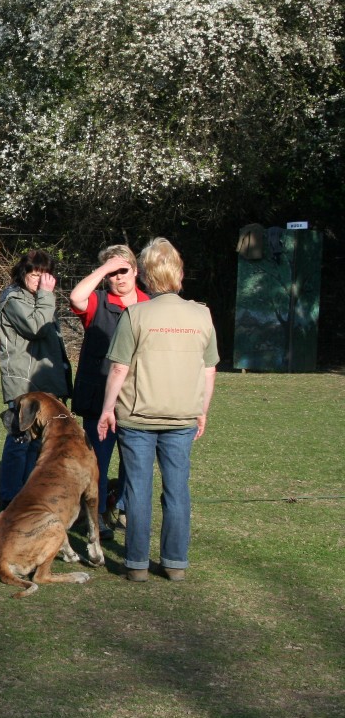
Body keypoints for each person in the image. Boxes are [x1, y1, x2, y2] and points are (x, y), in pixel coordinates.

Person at [98, 238, 217, 582]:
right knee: (177, 489)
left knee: (137, 489)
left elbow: (119, 368)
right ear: (179, 273)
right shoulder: (202, 314)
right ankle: (175, 562)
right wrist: (201, 409)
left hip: (138, 416)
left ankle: (136, 564)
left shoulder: (135, 313)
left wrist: (108, 409)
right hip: (182, 415)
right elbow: (209, 369)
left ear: (146, 276)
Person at [69, 244, 150, 538]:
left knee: (135, 460)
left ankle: (126, 509)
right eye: (112, 274)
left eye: (123, 271)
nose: (118, 278)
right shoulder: (97, 302)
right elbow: (76, 297)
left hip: (137, 398)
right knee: (98, 461)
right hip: (98, 397)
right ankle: (96, 514)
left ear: (136, 271)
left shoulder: (149, 305)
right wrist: (103, 269)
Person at [0, 249, 71, 506]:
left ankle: (27, 495)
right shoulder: (14, 298)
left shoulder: (39, 299)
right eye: (34, 274)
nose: (39, 280)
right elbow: (36, 327)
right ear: (23, 273)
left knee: (37, 443)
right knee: (20, 438)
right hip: (23, 382)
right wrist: (47, 296)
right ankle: (9, 498)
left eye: (44, 275)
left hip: (43, 381)